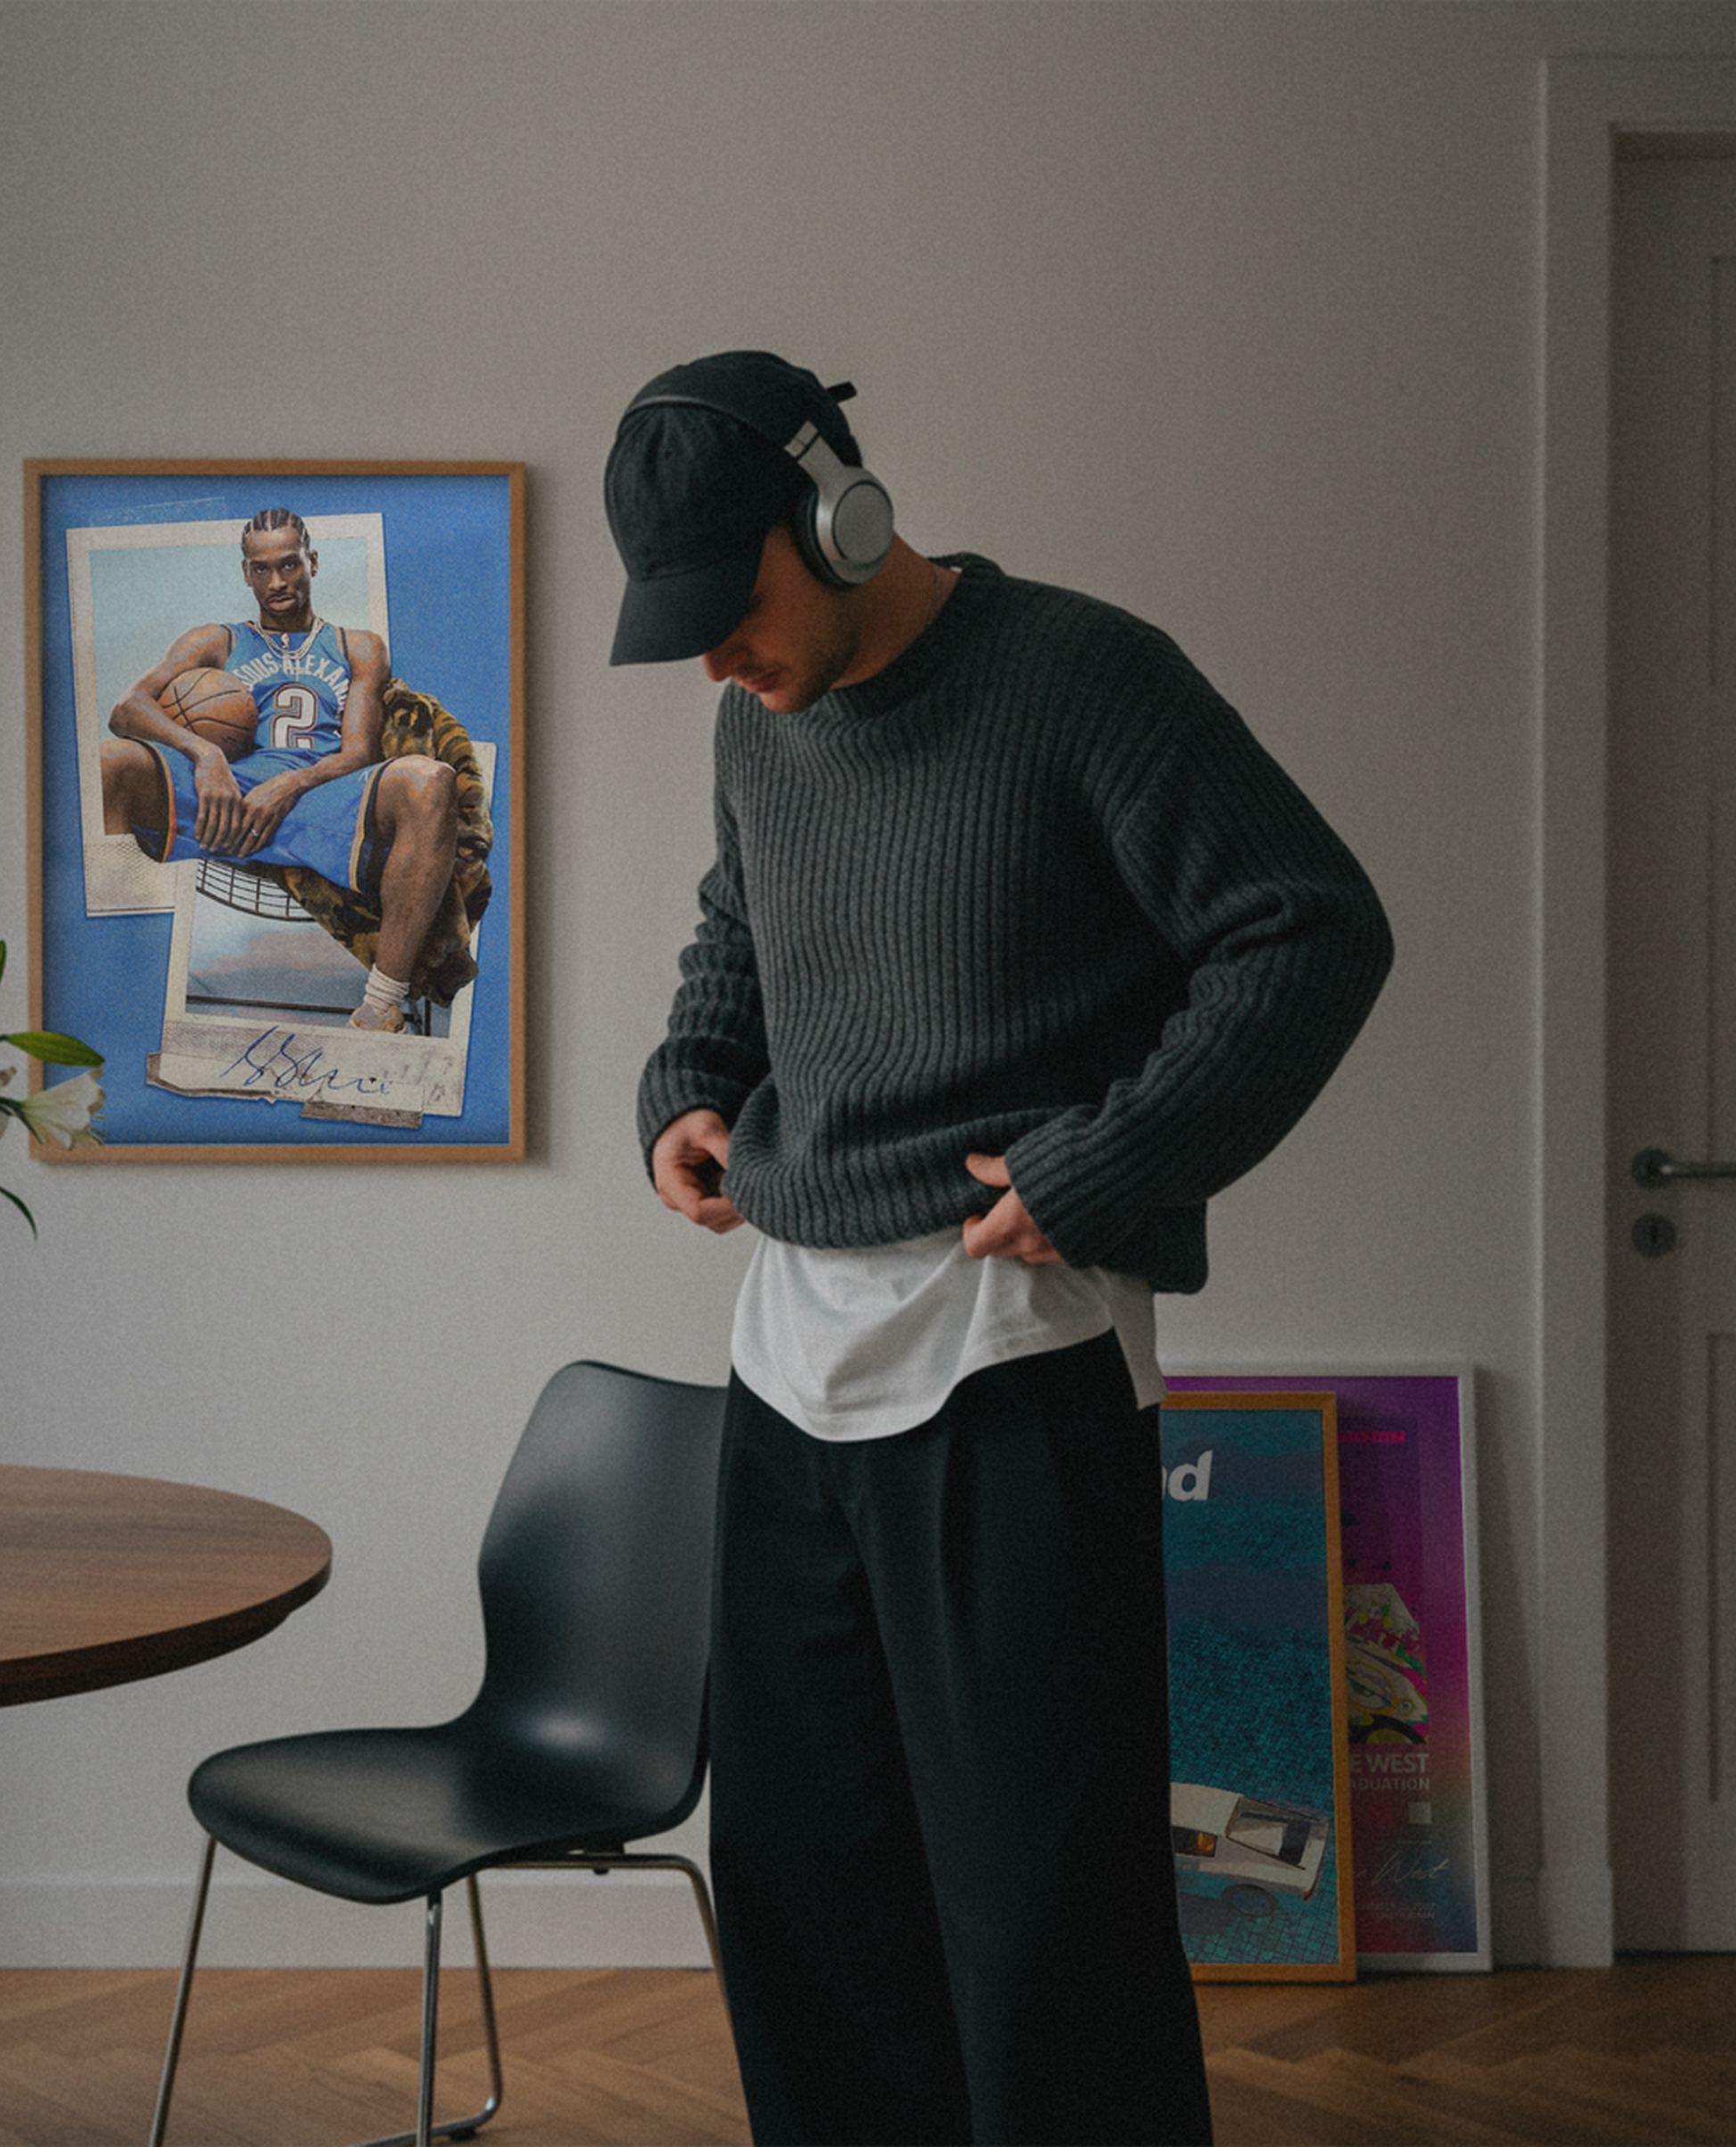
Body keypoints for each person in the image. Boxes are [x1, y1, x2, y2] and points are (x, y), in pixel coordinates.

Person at [605, 350, 1393, 2147]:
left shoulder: (1083, 679)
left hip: (1008, 1363)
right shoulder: (761, 722)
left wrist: (1112, 1158)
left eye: (734, 612)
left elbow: (1310, 930)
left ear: (840, 516)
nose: (719, 661)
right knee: (809, 1901)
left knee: (1044, 1921)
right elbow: (744, 923)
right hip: (785, 1367)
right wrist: (692, 1081)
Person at [100, 506, 479, 1032]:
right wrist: (204, 755)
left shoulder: (359, 646)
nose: (276, 582)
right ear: (245, 572)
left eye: (289, 565)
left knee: (430, 779)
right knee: (111, 763)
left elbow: (359, 753)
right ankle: (113, 972)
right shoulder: (216, 640)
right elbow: (127, 709)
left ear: (313, 562)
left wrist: (292, 782)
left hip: (320, 797)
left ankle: (379, 1007)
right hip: (225, 795)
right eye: (261, 569)